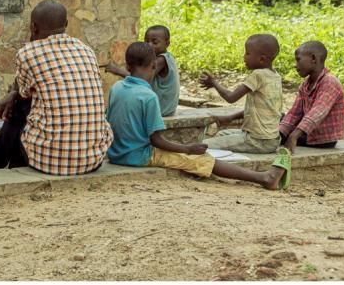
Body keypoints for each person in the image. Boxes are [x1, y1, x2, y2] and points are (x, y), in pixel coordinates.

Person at [107, 42, 290, 190]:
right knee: (201, 159)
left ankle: (263, 177)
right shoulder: (148, 96)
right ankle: (264, 178)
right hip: (138, 156)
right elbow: (156, 141)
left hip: (115, 153)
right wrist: (187, 149)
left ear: (128, 66)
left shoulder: (116, 88)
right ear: (154, 65)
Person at [0, 0, 111, 175]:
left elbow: (23, 94)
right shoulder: (86, 50)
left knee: (20, 107)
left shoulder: (28, 53)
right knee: (28, 102)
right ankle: (0, 165)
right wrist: (15, 94)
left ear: (33, 27)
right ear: (66, 24)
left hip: (49, 161)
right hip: (92, 159)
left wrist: (11, 95)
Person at [200, 34, 283, 154]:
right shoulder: (275, 76)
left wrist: (213, 83)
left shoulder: (258, 75)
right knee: (220, 134)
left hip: (257, 141)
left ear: (262, 59)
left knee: (204, 145)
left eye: (247, 53)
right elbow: (261, 109)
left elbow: (231, 97)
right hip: (271, 140)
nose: (244, 57)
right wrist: (230, 118)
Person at [279, 41, 344, 154]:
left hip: (322, 139)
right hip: (307, 133)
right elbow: (294, 113)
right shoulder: (305, 85)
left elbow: (317, 113)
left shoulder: (329, 82)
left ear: (313, 58)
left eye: (298, 59)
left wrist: (293, 136)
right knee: (277, 122)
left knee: (271, 134)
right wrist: (279, 133)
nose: (295, 64)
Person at [105, 25, 180, 116]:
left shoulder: (162, 60)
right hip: (166, 107)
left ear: (167, 44)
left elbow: (139, 79)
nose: (149, 45)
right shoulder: (160, 58)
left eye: (154, 42)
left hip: (162, 108)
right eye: (146, 41)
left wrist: (116, 70)